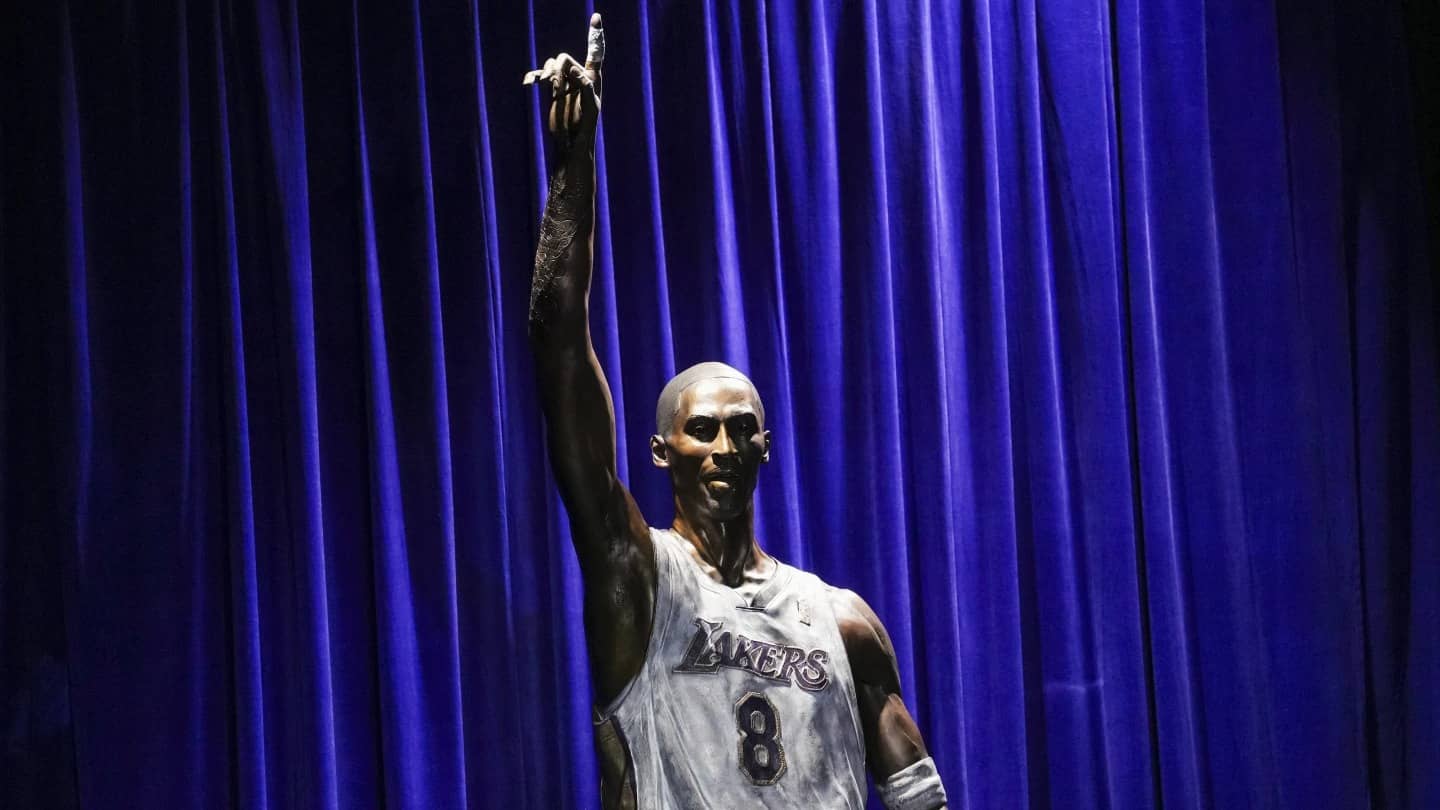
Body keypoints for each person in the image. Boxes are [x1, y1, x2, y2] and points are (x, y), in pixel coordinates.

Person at [524, 15, 948, 809]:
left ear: (765, 447)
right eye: (702, 430)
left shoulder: (842, 622)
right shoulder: (638, 579)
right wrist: (572, 172)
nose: (724, 445)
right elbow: (558, 347)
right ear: (663, 450)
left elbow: (922, 797)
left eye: (742, 429)